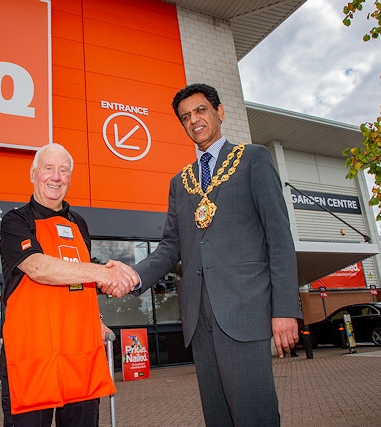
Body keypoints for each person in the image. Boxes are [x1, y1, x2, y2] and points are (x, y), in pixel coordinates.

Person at [108, 83, 303, 426]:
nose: (194, 120)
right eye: (186, 117)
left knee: (253, 413)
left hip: (244, 310)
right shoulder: (179, 182)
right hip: (199, 317)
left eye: (200, 111)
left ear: (219, 112)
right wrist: (135, 274)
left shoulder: (252, 158)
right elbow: (171, 247)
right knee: (218, 416)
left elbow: (279, 238)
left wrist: (285, 309)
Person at [0, 143, 136, 427]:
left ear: (70, 177)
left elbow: (79, 278)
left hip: (78, 354)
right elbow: (38, 267)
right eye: (48, 168)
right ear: (33, 174)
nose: (56, 177)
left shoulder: (79, 224)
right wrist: (104, 273)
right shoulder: (15, 221)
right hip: (33, 356)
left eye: (63, 170)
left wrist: (96, 319)